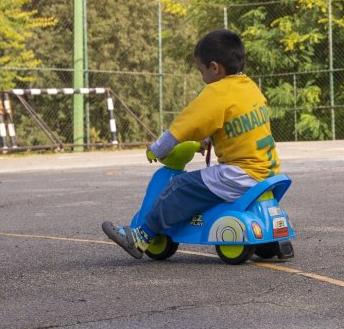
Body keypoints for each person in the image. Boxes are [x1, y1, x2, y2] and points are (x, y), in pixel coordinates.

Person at [102, 29, 281, 259]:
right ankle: (271, 244)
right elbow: (230, 123)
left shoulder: (217, 91)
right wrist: (206, 140)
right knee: (202, 182)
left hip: (240, 173)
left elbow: (182, 126)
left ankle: (141, 236)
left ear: (215, 68)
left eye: (201, 71)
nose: (202, 77)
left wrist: (156, 149)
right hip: (267, 170)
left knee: (180, 187)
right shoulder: (249, 87)